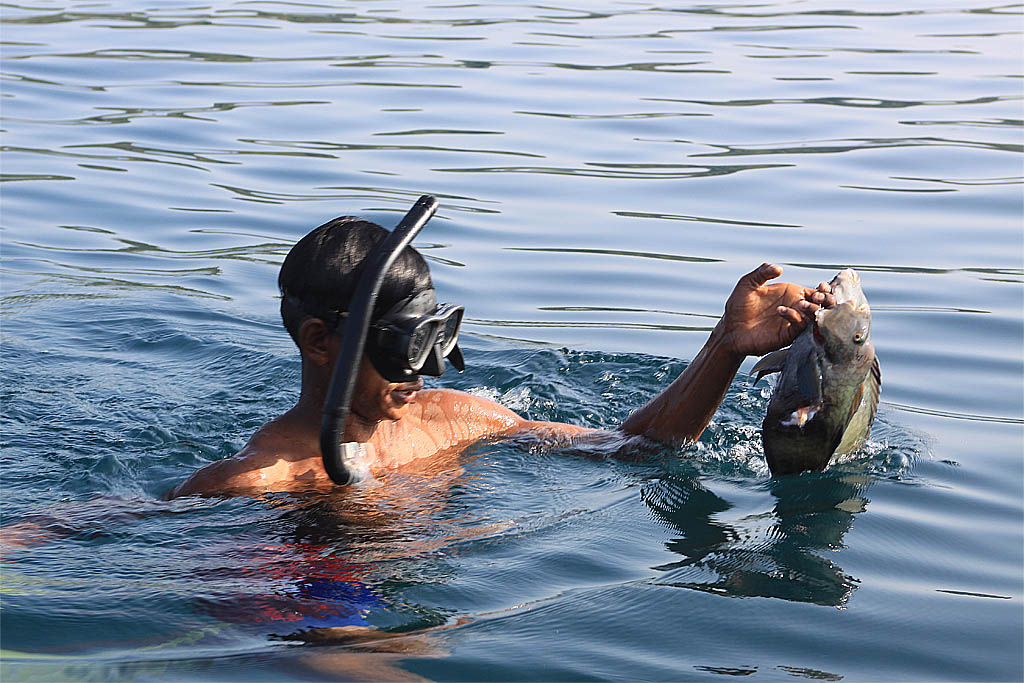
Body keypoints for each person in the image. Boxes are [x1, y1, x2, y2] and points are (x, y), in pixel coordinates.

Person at [169, 213, 833, 498]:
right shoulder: (257, 483)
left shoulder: (453, 421)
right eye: (404, 345)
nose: (426, 369)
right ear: (321, 342)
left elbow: (636, 447)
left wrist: (723, 344)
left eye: (438, 337)